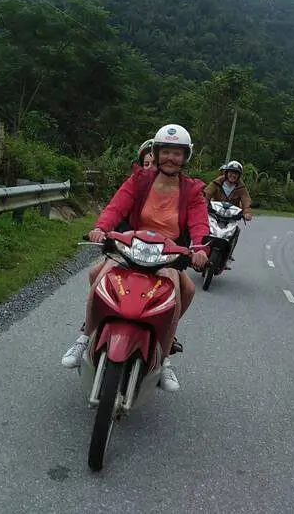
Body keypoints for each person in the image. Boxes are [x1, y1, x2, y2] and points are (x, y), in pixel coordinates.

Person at [61, 124, 210, 392]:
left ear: (185, 157)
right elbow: (118, 205)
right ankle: (84, 337)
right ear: (156, 152)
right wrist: (101, 228)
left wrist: (199, 249)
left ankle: (164, 359)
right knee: (98, 274)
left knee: (184, 289)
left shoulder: (192, 190)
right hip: (132, 245)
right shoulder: (140, 179)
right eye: (165, 152)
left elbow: (200, 223)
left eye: (177, 153)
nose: (170, 158)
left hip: (167, 253)